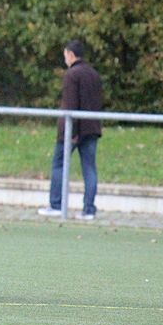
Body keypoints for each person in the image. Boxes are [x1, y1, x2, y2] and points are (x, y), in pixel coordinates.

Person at [38, 40, 103, 220]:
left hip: (73, 130)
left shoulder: (71, 75)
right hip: (91, 128)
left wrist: (71, 132)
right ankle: (89, 210)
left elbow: (70, 105)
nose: (65, 59)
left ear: (71, 55)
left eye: (65, 55)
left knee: (58, 164)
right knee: (89, 168)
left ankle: (56, 204)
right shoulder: (94, 74)